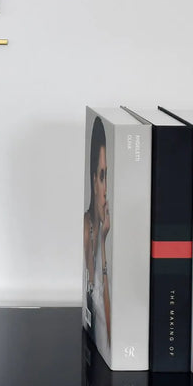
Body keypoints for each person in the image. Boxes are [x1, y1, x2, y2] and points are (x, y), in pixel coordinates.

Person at [84, 115, 111, 358]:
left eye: (109, 177)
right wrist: (101, 242)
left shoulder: (103, 234)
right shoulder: (88, 229)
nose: (106, 190)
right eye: (102, 176)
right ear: (94, 182)